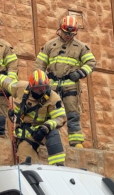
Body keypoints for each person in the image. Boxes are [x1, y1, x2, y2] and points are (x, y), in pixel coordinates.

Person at [34, 15, 96, 148]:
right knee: (47, 113)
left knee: (73, 115)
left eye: (71, 33)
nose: (68, 36)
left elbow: (91, 62)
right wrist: (40, 82)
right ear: (60, 29)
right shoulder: (50, 45)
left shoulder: (81, 47)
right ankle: (44, 140)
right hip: (52, 86)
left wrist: (80, 73)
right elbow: (39, 64)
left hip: (70, 86)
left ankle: (76, 142)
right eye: (66, 33)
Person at [0, 70, 66, 166]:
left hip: (43, 131)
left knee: (54, 133)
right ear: (31, 86)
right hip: (26, 133)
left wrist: (45, 128)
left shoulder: (53, 98)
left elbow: (60, 117)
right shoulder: (21, 88)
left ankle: (58, 166)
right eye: (38, 89)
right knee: (26, 163)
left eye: (44, 88)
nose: (41, 91)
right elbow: (8, 83)